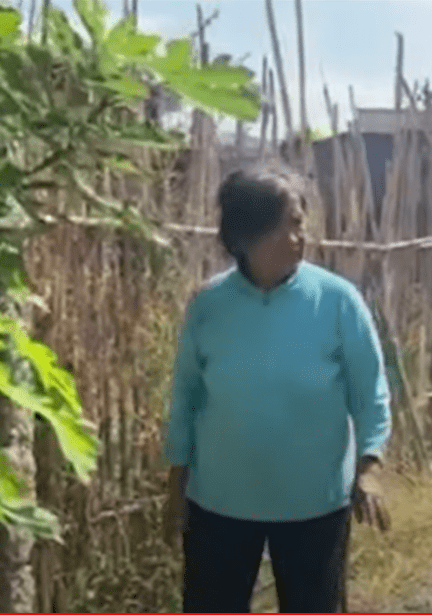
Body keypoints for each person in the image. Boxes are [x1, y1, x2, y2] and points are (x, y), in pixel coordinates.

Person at [162, 162, 392, 613]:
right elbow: (186, 398)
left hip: (314, 504)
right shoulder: (209, 305)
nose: (298, 237)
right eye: (286, 225)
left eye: (300, 223)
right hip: (220, 502)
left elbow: (370, 393)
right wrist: (176, 489)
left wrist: (368, 467)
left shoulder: (337, 302)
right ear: (246, 233)